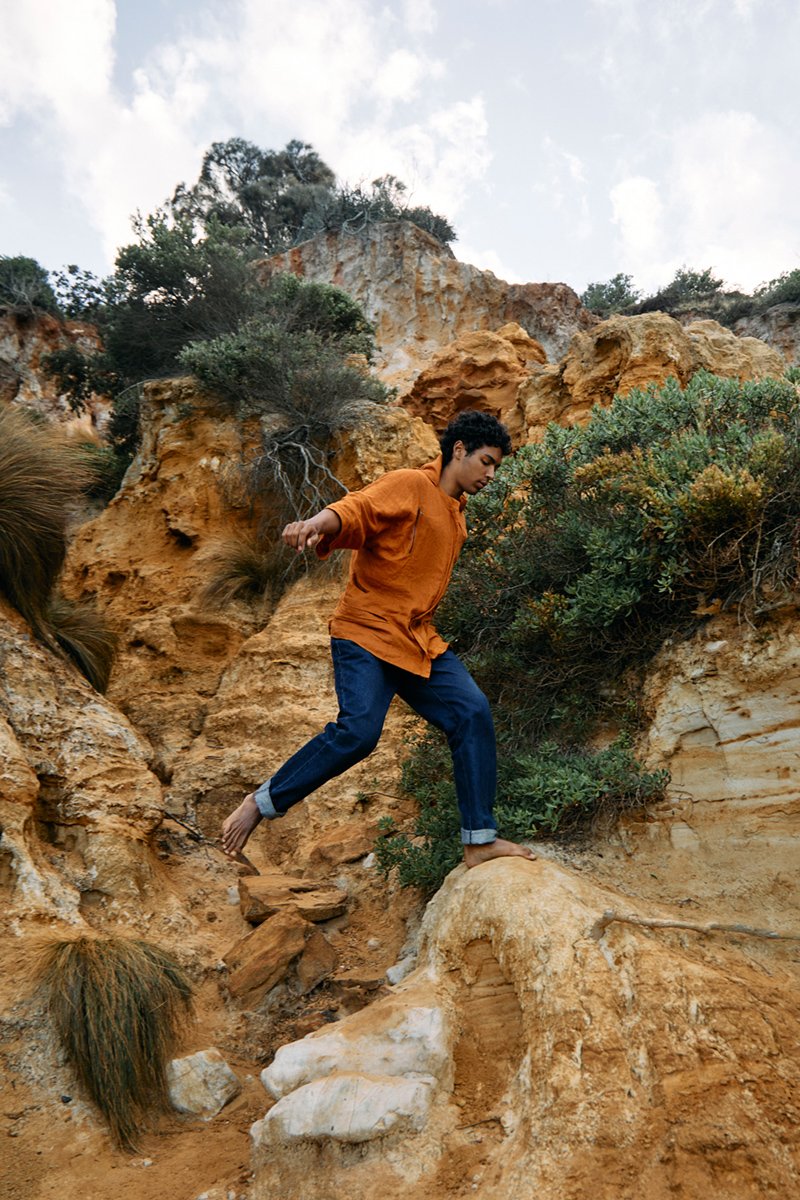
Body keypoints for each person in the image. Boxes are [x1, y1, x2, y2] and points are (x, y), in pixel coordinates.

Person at [221, 409, 535, 869]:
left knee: (471, 711)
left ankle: (479, 840)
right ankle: (260, 803)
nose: (491, 474)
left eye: (497, 467)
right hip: (365, 632)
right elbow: (357, 509)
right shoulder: (410, 484)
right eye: (486, 461)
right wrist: (314, 524)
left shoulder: (458, 517)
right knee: (359, 732)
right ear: (459, 451)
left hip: (414, 639)